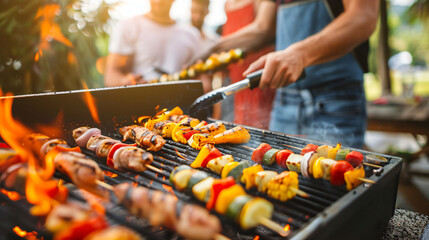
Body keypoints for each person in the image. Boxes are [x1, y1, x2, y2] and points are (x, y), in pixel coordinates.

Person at [211, 0, 379, 148]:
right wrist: (213, 49)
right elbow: (263, 28)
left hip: (334, 99)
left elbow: (363, 15)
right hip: (284, 99)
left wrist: (300, 54)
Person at [104, 0, 200, 87]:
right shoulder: (128, 27)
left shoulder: (191, 34)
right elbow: (111, 75)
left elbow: (202, 79)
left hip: (181, 105)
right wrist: (125, 82)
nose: (158, 1)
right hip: (140, 103)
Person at [221, 0, 276, 129]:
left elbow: (263, 29)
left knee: (260, 125)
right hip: (235, 80)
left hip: (257, 78)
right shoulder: (227, 4)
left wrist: (215, 46)